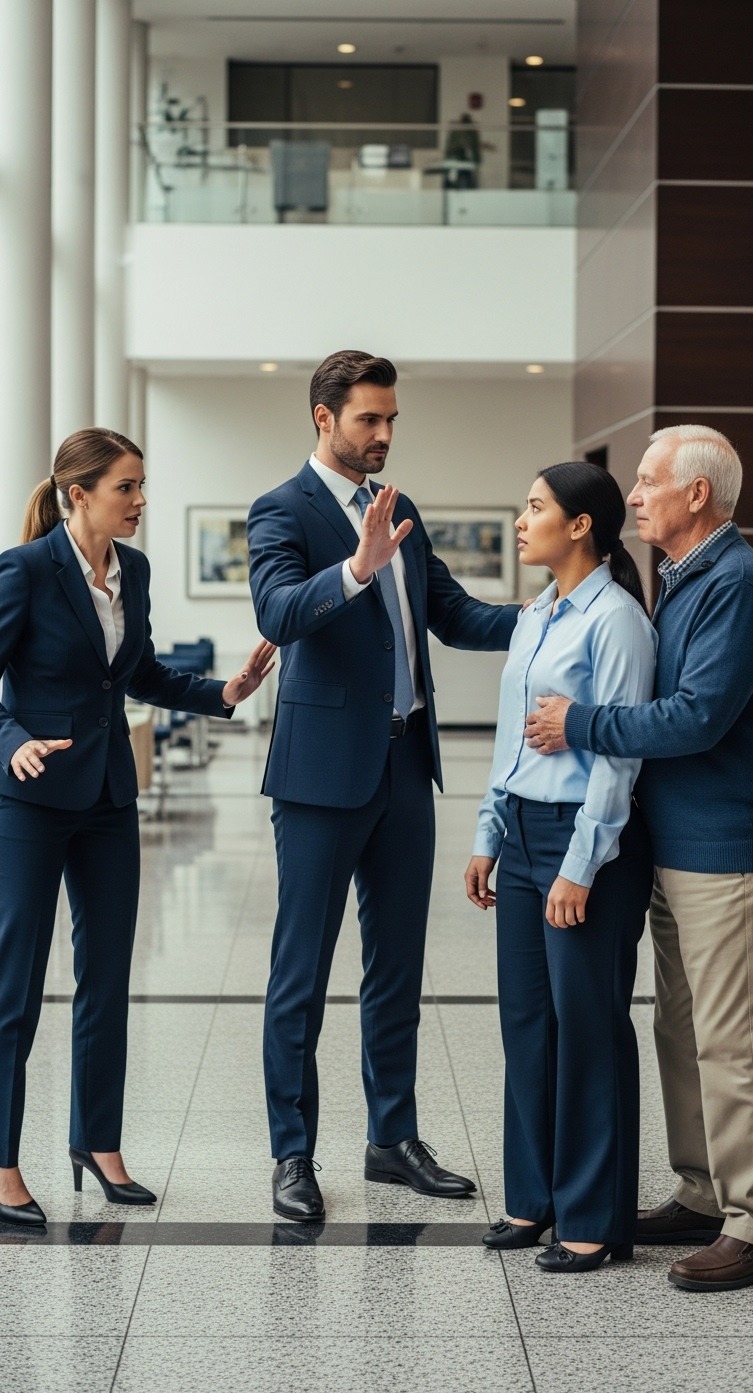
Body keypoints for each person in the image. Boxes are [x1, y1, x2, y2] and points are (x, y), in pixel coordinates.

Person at [247, 350, 518, 1221]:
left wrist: (562, 612)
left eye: (392, 419)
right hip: (321, 778)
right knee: (302, 971)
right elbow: (279, 613)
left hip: (406, 765)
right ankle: (292, 1154)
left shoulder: (400, 513)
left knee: (397, 968)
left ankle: (390, 1139)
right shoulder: (280, 511)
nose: (385, 434)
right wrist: (358, 570)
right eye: (370, 419)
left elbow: (457, 615)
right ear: (323, 417)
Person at [0, 428, 275, 1228]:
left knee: (108, 979)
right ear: (78, 495)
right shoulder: (23, 572)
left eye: (143, 485)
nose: (142, 500)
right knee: (14, 991)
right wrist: (12, 742)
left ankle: (99, 1143)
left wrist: (223, 692)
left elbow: (143, 672)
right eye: (128, 487)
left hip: (110, 798)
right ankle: (5, 1165)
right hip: (30, 801)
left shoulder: (135, 573)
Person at [524, 425, 753, 1292]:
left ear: (696, 495)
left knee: (732, 1041)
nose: (632, 495)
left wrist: (579, 722)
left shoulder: (738, 581)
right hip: (674, 847)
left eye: (648, 481)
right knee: (682, 1029)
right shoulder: (683, 577)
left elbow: (698, 715)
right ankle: (703, 1192)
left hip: (725, 849)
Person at [465, 461, 656, 1272]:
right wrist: (487, 834)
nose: (522, 519)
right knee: (527, 1026)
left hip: (590, 845)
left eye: (535, 506)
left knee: (589, 1029)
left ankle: (592, 1217)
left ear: (581, 525)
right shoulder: (538, 612)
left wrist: (581, 864)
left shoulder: (615, 620)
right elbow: (512, 737)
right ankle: (531, 1201)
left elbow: (618, 756)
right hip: (523, 835)